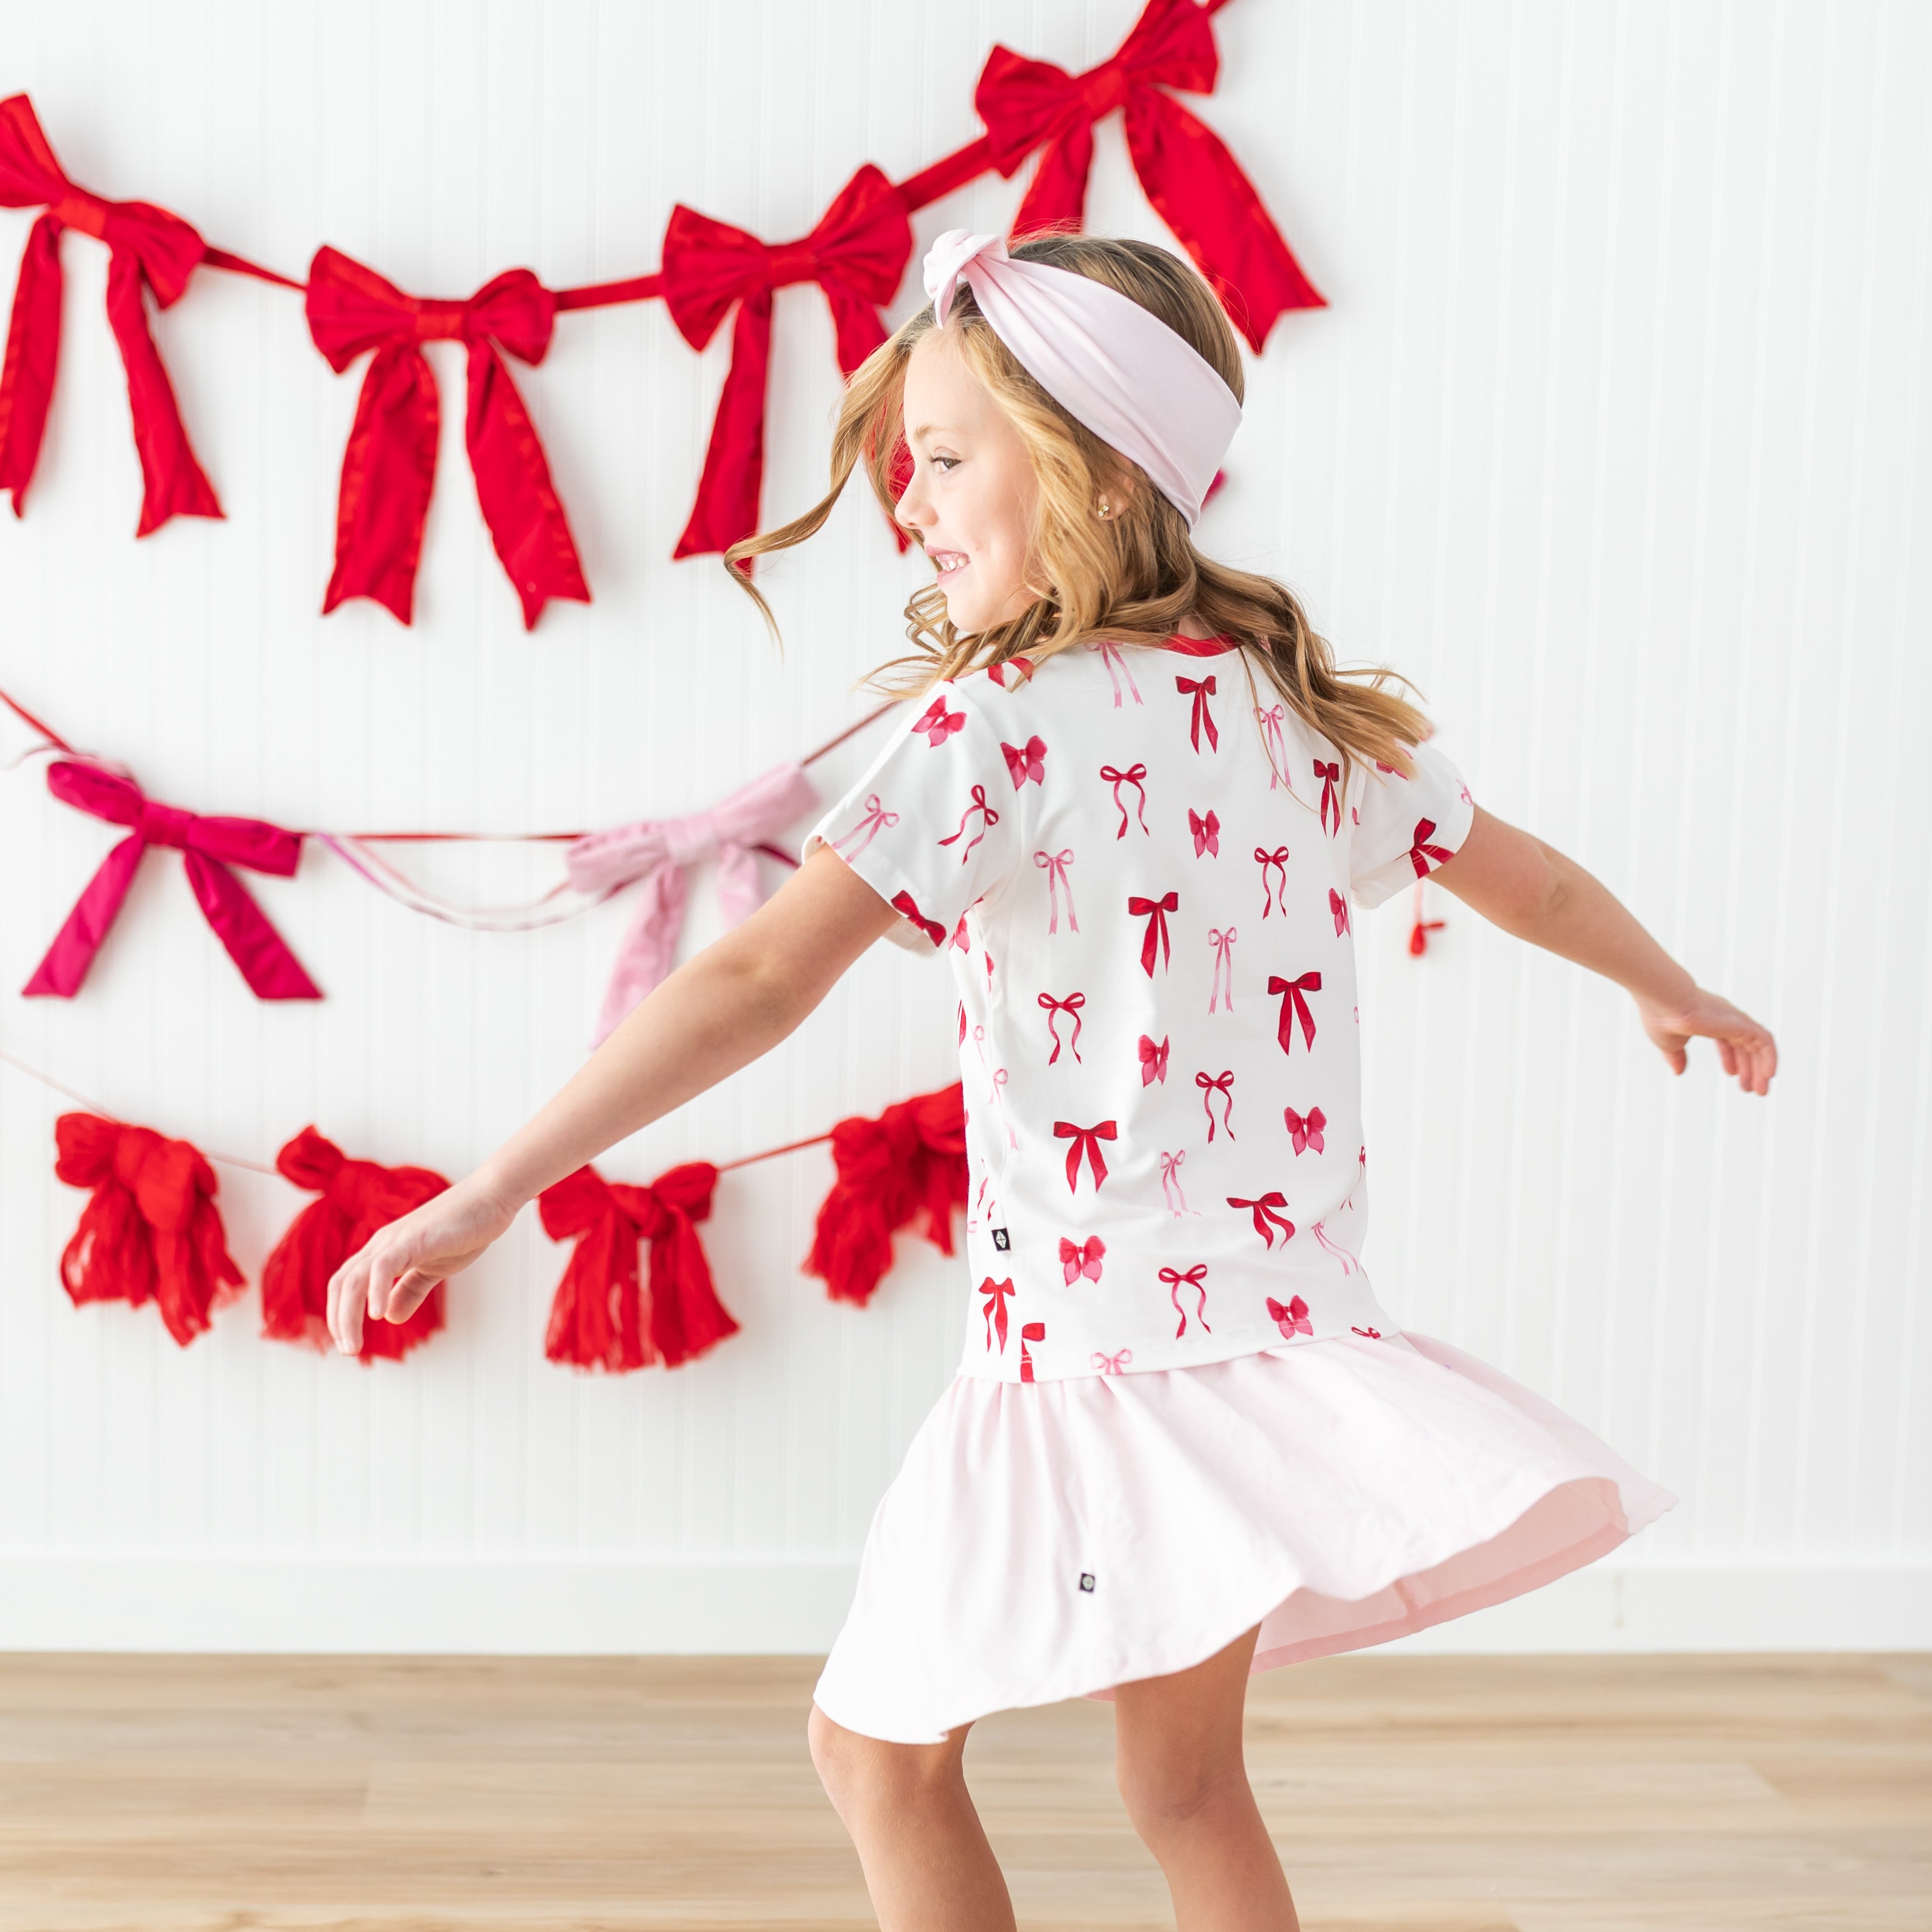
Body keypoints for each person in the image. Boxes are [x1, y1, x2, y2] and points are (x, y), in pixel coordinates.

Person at [326, 229, 1777, 1932]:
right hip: (1263, 1345)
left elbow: (752, 978)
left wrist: (500, 1182)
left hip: (1084, 1361)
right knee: (1181, 1786)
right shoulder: (1292, 709)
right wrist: (1664, 987)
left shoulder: (997, 726)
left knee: (879, 1759)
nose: (911, 504)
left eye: (945, 459)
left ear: (1090, 470)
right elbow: (1514, 869)